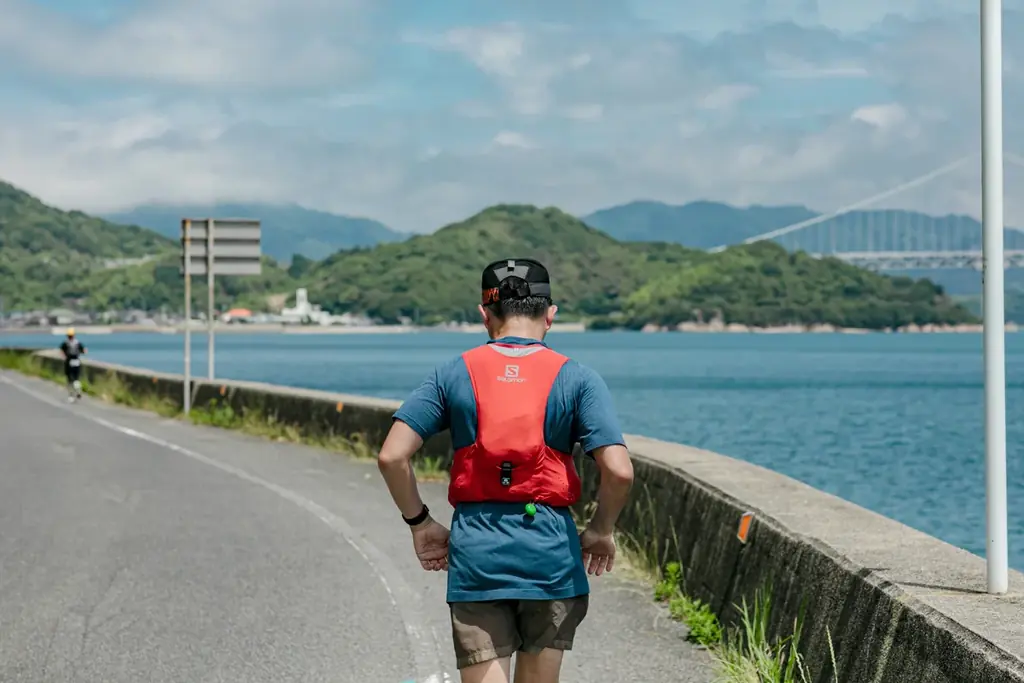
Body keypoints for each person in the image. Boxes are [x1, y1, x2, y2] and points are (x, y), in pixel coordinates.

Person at [377, 258, 635, 683]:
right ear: (550, 314)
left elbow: (392, 456)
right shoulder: (579, 379)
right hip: (550, 551)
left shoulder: (452, 372)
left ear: (484, 314)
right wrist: (600, 529)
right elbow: (619, 472)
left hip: (478, 551)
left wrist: (420, 524)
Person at [59, 327, 86, 401]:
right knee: (77, 378)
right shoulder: (78, 343)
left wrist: (64, 357)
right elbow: (84, 351)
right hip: (77, 361)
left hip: (69, 362)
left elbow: (61, 352)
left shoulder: (66, 343)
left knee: (70, 380)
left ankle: (71, 395)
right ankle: (78, 390)